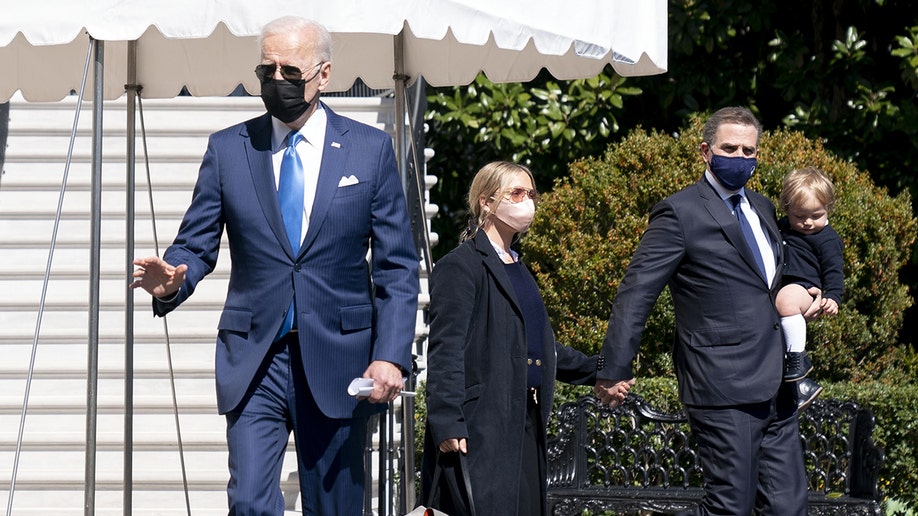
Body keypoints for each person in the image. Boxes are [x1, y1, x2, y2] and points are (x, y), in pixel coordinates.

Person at [130, 16, 419, 515]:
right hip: (255, 359)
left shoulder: (369, 151)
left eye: (291, 71)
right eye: (268, 70)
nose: (277, 81)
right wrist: (173, 279)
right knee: (248, 503)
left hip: (339, 360)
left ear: (323, 75)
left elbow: (396, 265)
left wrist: (391, 354)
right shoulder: (228, 149)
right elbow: (195, 245)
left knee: (335, 507)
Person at [593, 107, 823, 515]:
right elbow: (636, 292)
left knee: (789, 508)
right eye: (728, 148)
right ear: (705, 151)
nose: (739, 157)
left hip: (777, 386)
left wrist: (810, 293)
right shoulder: (679, 213)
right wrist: (615, 367)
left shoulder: (764, 208)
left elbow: (775, 279)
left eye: (748, 150)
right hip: (721, 386)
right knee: (729, 507)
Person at [420, 161, 631, 516]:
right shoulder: (461, 265)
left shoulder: (517, 266)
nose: (527, 201)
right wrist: (447, 419)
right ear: (487, 202)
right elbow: (445, 349)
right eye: (516, 193)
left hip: (525, 420)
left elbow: (541, 347)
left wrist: (601, 370)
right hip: (479, 423)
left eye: (530, 193)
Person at [776, 166, 844, 411]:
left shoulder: (826, 238)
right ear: (787, 210)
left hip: (804, 288)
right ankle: (801, 386)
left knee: (786, 301)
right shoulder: (782, 227)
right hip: (782, 287)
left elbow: (833, 270)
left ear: (828, 209)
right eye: (799, 215)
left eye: (816, 215)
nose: (807, 222)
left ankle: (798, 359)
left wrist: (833, 297)